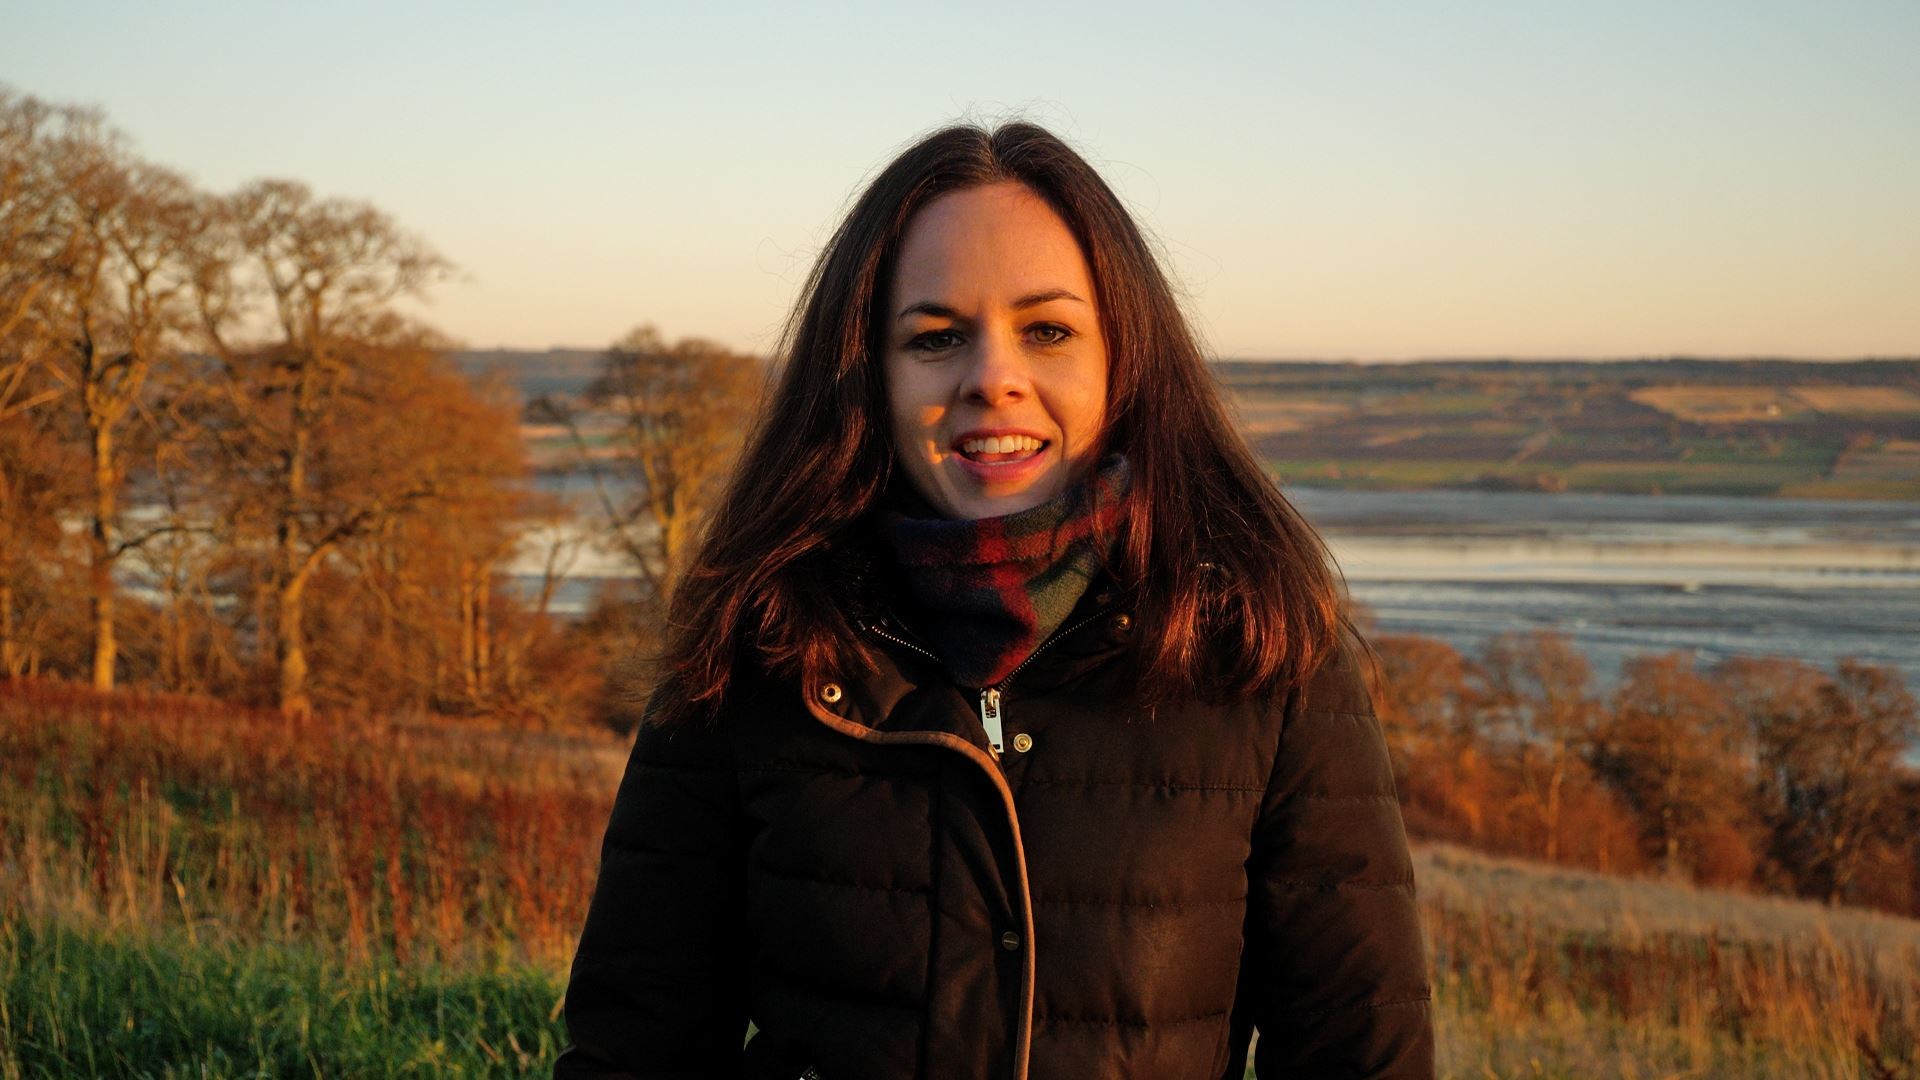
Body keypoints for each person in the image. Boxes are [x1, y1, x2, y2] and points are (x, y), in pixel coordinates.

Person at [555, 121, 1434, 1080]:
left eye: (1048, 330)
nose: (993, 378)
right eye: (935, 338)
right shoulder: (759, 640)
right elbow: (634, 1047)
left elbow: (1361, 1054)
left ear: (1125, 360)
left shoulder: (1253, 645)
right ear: (868, 375)